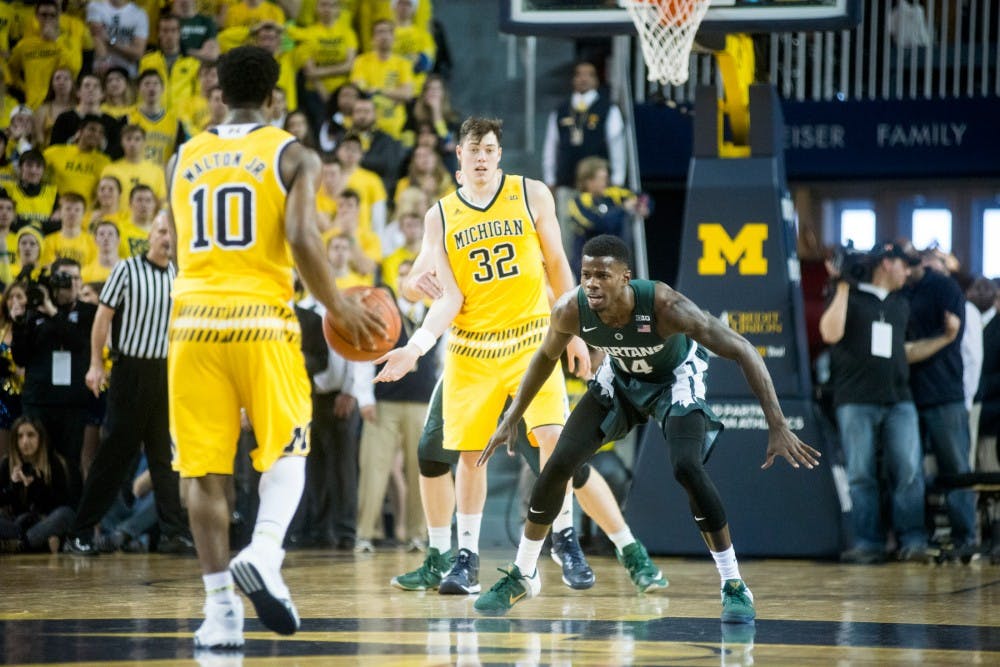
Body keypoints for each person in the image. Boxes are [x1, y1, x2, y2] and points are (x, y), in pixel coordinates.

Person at [375, 118, 660, 598]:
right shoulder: (441, 215)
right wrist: (411, 307)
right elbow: (425, 281)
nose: (482, 156)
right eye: (473, 148)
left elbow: (555, 265)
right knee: (450, 452)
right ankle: (451, 557)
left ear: (499, 155)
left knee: (563, 452)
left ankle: (611, 545)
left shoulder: (531, 194)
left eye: (490, 148)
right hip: (471, 352)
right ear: (459, 156)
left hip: (530, 342)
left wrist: (573, 329)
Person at [471, 234, 820, 619]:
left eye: (602, 275)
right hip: (620, 379)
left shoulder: (665, 306)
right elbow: (544, 356)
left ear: (625, 278)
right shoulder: (571, 309)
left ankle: (733, 583)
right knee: (558, 461)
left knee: (686, 467)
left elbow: (743, 349)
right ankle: (523, 574)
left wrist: (777, 423)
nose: (591, 283)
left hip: (675, 381)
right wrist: (513, 414)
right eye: (586, 274)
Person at [165, 45, 385, 650]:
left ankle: (220, 616)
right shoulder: (291, 154)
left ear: (218, 91)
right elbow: (299, 235)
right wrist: (338, 304)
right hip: (262, 319)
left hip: (191, 325)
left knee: (203, 472)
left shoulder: (181, 158)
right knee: (288, 449)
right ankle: (264, 551)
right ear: (273, 98)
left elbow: (183, 249)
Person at [63, 217, 190, 556]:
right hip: (129, 372)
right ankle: (80, 532)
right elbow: (103, 318)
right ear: (149, 235)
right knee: (113, 457)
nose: (168, 238)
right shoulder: (127, 269)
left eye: (173, 233)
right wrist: (96, 363)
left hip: (165, 373)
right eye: (162, 231)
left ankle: (173, 534)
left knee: (165, 457)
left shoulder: (180, 275)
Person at [821, 243, 955, 564]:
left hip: (899, 399)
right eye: (903, 265)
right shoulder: (848, 295)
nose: (908, 272)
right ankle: (869, 543)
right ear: (886, 263)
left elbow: (904, 352)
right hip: (855, 400)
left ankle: (913, 541)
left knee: (909, 471)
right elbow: (829, 332)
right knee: (861, 474)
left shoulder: (900, 304)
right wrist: (842, 285)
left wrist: (945, 339)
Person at [0, 416, 75, 553]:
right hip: (15, 524)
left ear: (40, 438)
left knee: (66, 514)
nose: (25, 441)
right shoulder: (6, 463)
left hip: (42, 522)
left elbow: (61, 504)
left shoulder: (54, 462)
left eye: (30, 435)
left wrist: (38, 485)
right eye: (20, 436)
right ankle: (35, 544)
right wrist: (13, 486)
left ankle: (19, 544)